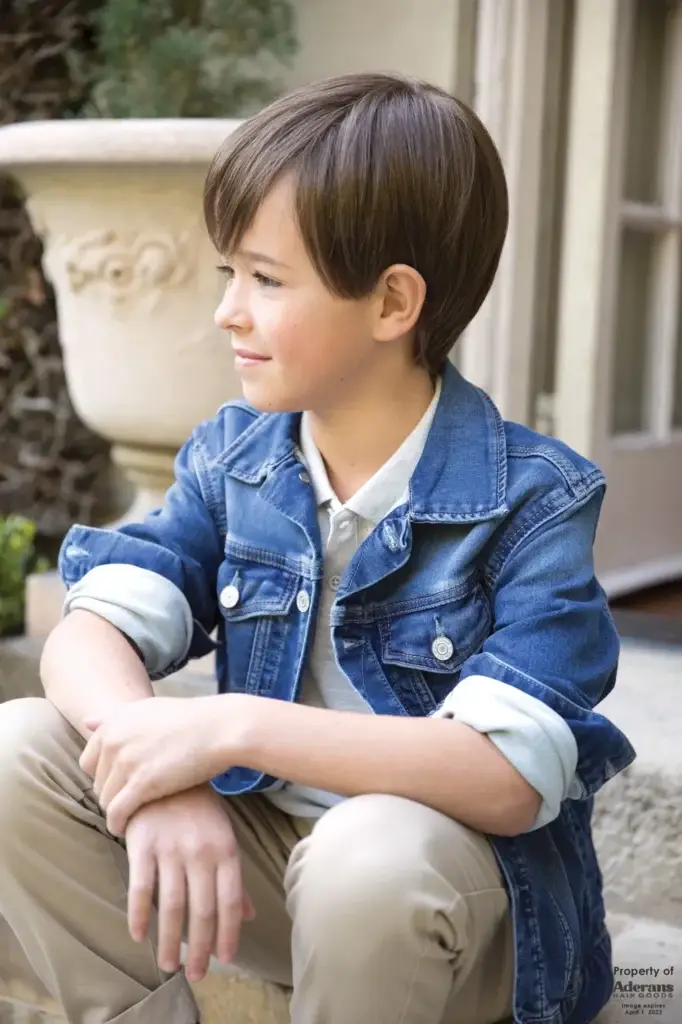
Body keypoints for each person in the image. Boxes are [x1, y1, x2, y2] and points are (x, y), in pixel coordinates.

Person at [0, 72, 636, 1024]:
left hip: (447, 900)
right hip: (270, 870)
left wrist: (227, 730)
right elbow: (92, 628)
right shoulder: (238, 459)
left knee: (365, 855)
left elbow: (504, 780)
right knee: (19, 748)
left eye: (266, 278)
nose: (229, 312)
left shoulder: (532, 499)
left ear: (392, 304)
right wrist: (154, 776)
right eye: (229, 275)